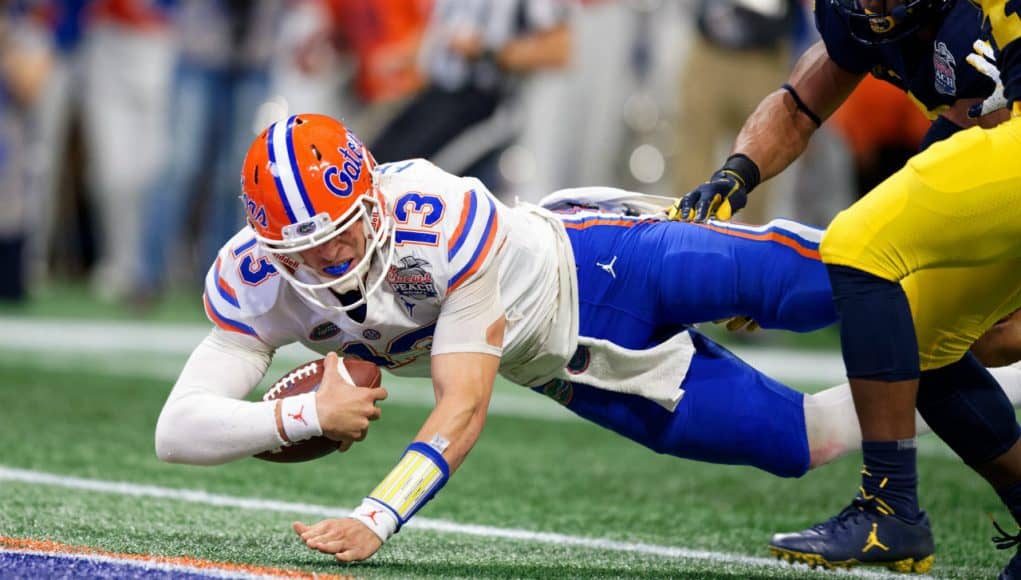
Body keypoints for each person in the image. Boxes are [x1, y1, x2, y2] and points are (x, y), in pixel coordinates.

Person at [154, 114, 1021, 564]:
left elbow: (462, 404)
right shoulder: (258, 280)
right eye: (304, 249)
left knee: (839, 281)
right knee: (804, 442)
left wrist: (376, 517)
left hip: (608, 262)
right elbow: (178, 428)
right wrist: (295, 422)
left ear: (372, 195)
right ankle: (990, 368)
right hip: (577, 370)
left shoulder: (435, 216)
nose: (333, 257)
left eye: (341, 230)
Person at [673, 0, 1021, 574]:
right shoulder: (864, 21)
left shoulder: (973, 29)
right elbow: (801, 101)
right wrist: (737, 172)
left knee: (859, 246)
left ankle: (890, 506)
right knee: (914, 338)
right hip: (993, 141)